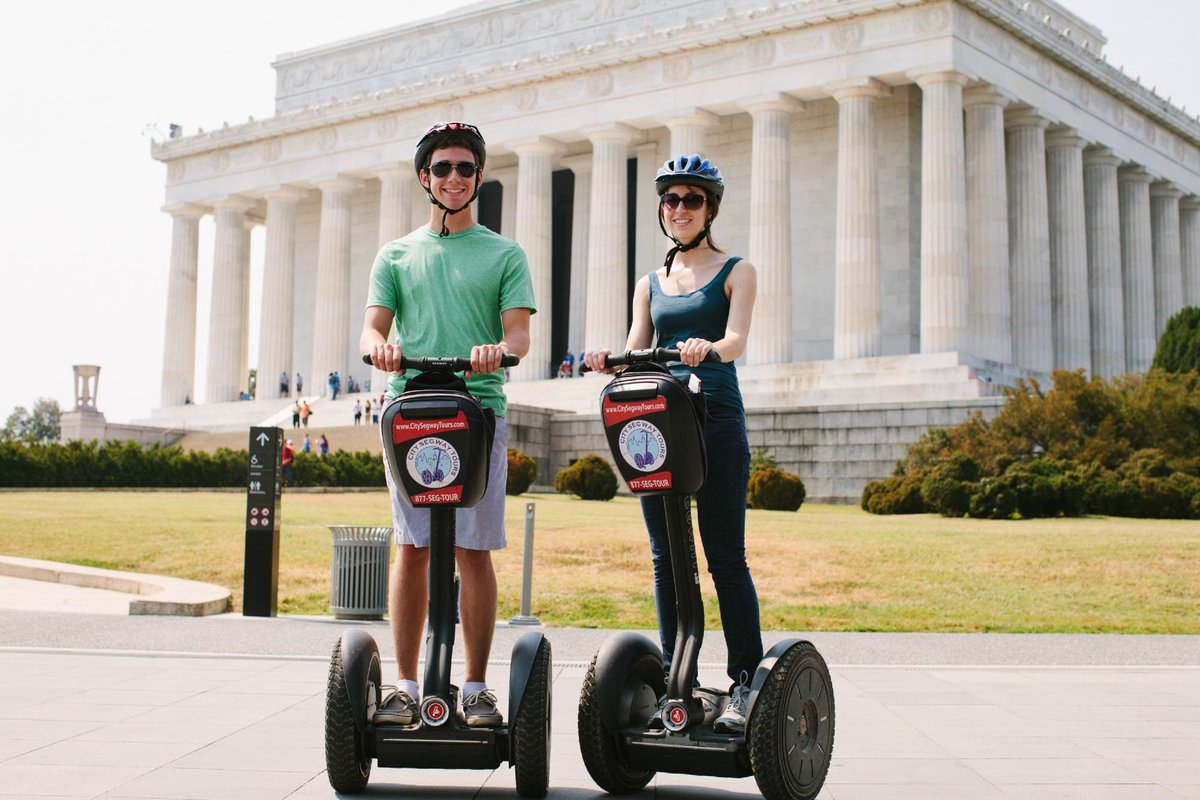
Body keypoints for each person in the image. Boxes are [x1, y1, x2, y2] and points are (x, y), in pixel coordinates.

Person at [361, 121, 535, 729]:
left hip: (478, 410)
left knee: (472, 548)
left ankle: (477, 684)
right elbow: (372, 327)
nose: (454, 178)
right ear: (424, 178)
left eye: (465, 168)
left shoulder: (504, 253)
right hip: (410, 408)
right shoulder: (397, 254)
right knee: (411, 549)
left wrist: (499, 349)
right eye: (443, 169)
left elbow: (519, 334)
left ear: (479, 177)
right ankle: (405, 682)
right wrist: (378, 347)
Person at [583, 154, 762, 734]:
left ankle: (743, 684)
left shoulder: (737, 270)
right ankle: (675, 680)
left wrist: (706, 347)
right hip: (658, 424)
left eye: (691, 200)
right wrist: (606, 361)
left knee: (724, 557)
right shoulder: (649, 283)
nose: (679, 209)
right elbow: (636, 349)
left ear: (709, 209)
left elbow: (735, 341)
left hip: (715, 421)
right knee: (666, 559)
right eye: (670, 200)